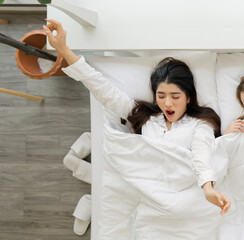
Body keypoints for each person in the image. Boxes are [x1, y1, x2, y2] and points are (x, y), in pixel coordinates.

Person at [43, 19, 230, 215]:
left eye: (175, 97)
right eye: (161, 96)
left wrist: (208, 188)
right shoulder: (145, 117)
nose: (167, 103)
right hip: (147, 194)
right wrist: (64, 49)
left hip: (186, 195)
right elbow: (102, 89)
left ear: (188, 97)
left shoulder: (200, 124)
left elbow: (202, 155)